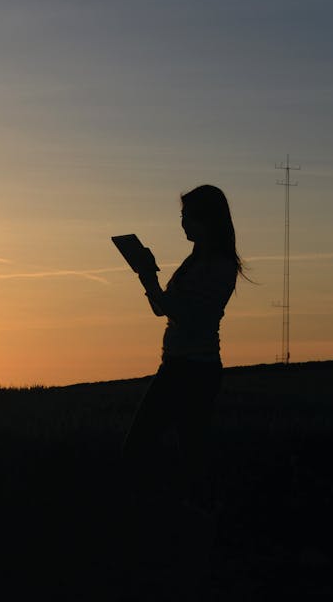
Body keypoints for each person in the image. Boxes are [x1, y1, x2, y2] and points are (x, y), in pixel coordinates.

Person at [121, 184, 245, 507]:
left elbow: (188, 317)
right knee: (184, 452)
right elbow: (164, 309)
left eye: (187, 217)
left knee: (152, 448)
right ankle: (187, 512)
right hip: (178, 366)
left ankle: (186, 516)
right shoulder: (194, 262)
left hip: (194, 370)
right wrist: (146, 277)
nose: (182, 224)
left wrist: (151, 281)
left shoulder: (218, 266)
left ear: (207, 220)